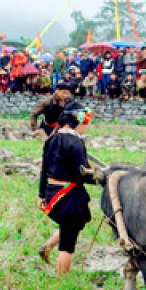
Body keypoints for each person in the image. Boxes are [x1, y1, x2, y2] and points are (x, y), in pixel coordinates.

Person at [37, 103, 96, 276]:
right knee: (69, 241)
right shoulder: (76, 142)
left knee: (72, 224)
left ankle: (47, 246)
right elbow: (82, 173)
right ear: (75, 120)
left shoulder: (52, 140)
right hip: (69, 195)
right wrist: (100, 178)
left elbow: (44, 170)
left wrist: (41, 195)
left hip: (52, 191)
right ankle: (63, 278)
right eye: (85, 120)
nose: (86, 125)